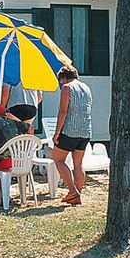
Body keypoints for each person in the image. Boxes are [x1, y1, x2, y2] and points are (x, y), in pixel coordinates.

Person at [52, 65, 92, 205]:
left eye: (61, 81)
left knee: (58, 159)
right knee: (78, 164)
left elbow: (63, 111)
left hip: (70, 130)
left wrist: (57, 133)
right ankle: (76, 195)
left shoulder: (67, 88)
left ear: (64, 78)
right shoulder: (86, 88)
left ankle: (73, 192)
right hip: (85, 131)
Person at [0, 104, 29, 206]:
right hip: (19, 161)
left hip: (5, 161)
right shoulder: (14, 122)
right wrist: (27, 144)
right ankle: (5, 197)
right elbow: (31, 128)